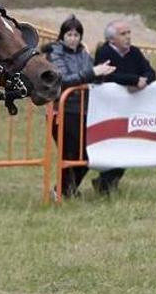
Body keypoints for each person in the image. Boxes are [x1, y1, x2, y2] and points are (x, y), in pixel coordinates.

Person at [47, 15, 116, 198]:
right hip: (63, 111)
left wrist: (102, 74)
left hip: (85, 111)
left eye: (76, 35)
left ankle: (67, 190)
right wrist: (92, 72)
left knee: (86, 156)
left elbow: (91, 75)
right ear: (62, 36)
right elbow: (63, 80)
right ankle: (62, 191)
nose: (73, 38)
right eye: (69, 34)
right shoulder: (54, 54)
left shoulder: (85, 55)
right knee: (69, 154)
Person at [91, 19, 156, 195]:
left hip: (132, 110)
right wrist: (134, 80)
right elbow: (107, 75)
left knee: (129, 145)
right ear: (112, 39)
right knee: (114, 145)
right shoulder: (104, 52)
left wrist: (143, 82)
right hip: (109, 110)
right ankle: (105, 182)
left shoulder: (134, 52)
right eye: (123, 34)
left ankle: (106, 182)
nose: (128, 37)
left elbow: (150, 72)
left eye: (129, 33)